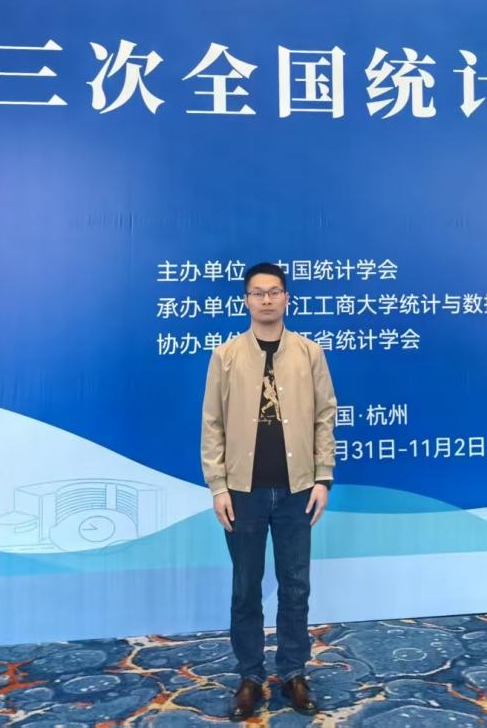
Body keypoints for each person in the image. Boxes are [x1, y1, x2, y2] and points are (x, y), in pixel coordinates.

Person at [200, 262, 337, 719]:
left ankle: (294, 673)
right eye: (257, 293)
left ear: (286, 298)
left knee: (295, 587)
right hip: (244, 492)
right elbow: (212, 424)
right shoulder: (226, 356)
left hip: (298, 490)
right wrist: (218, 486)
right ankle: (250, 677)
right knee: (246, 589)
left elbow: (325, 415)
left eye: (274, 291)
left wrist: (323, 478)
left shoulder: (309, 353)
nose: (266, 300)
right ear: (246, 300)